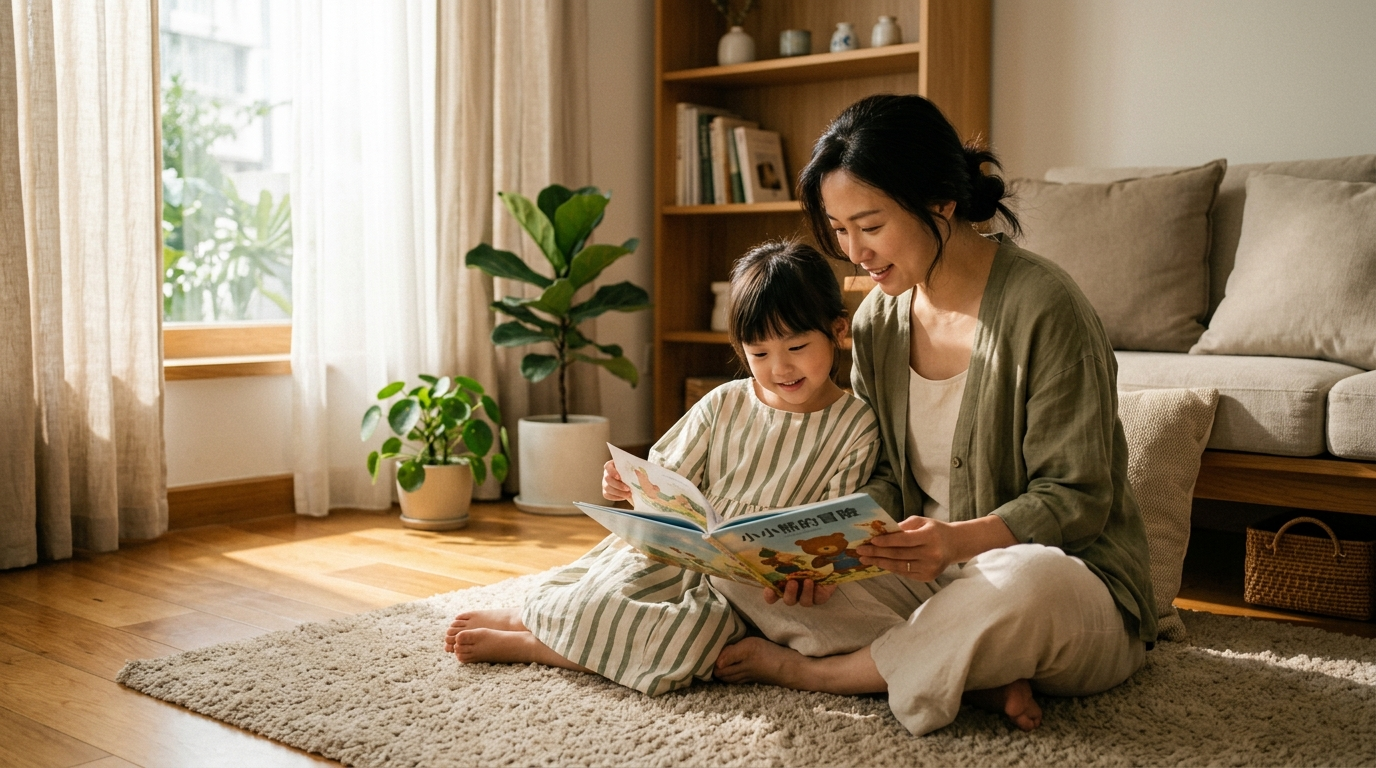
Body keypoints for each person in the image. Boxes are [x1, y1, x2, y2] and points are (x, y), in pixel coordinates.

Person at [708, 94, 1158, 737]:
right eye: (838, 229)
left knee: (1024, 579)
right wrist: (827, 553)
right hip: (929, 583)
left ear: (940, 201)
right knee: (747, 567)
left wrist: (956, 541)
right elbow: (885, 471)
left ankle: (823, 672)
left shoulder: (1046, 307)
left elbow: (1077, 498)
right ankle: (968, 669)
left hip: (1065, 586)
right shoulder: (876, 323)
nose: (853, 251)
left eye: (869, 224)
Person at [443, 239, 881, 696]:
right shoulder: (724, 403)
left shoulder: (856, 425)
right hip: (677, 555)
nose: (780, 368)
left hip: (748, 587)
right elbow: (665, 481)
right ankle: (531, 628)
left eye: (796, 346)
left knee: (696, 643)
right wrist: (627, 487)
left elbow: (835, 520)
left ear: (837, 330)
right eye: (759, 354)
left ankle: (542, 643)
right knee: (600, 595)